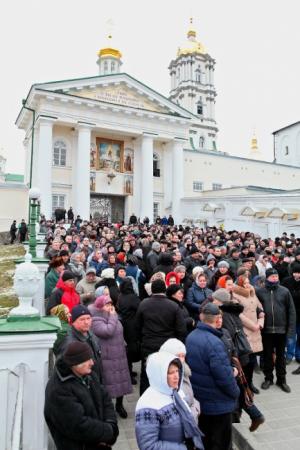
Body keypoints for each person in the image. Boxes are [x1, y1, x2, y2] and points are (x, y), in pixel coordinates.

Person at [44, 341, 119, 450]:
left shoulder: (88, 373)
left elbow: (105, 398)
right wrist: (108, 432)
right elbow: (79, 425)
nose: (92, 363)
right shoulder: (58, 390)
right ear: (75, 363)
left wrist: (111, 423)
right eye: (87, 360)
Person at [186, 302, 240, 450]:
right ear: (217, 320)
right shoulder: (214, 343)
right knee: (221, 443)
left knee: (207, 442)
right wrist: (236, 392)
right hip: (218, 405)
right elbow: (224, 377)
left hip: (201, 401)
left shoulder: (191, 336)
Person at [135, 351, 204, 450]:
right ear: (158, 375)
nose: (177, 376)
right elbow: (149, 446)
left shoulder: (175, 392)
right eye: (171, 373)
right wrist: (184, 448)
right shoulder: (147, 405)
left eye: (177, 371)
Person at [135, 279, 187, 395]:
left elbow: (137, 326)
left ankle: (146, 399)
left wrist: (141, 342)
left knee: (147, 374)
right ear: (165, 289)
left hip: (148, 346)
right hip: (167, 348)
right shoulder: (173, 306)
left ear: (152, 290)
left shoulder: (143, 304)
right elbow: (181, 329)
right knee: (167, 373)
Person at [89, 294, 132, 418]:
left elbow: (118, 330)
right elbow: (107, 331)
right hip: (107, 356)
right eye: (106, 305)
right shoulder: (96, 319)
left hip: (119, 354)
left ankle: (119, 405)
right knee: (108, 383)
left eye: (110, 304)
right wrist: (113, 317)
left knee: (121, 381)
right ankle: (107, 408)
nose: (110, 307)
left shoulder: (111, 315)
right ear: (100, 307)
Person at [256, 268, 296, 392]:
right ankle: (268, 378)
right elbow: (256, 310)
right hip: (266, 331)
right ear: (267, 277)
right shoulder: (260, 292)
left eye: (276, 276)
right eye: (272, 276)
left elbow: (291, 311)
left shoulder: (284, 291)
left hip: (281, 330)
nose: (275, 278)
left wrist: (290, 331)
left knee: (281, 357)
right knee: (267, 356)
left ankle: (282, 380)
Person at [56, 305, 103, 381]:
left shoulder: (89, 333)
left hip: (94, 379)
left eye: (88, 318)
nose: (86, 322)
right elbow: (64, 369)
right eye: (82, 319)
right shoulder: (69, 343)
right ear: (73, 322)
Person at [160, 338, 200, 422]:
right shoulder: (166, 381)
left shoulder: (184, 372)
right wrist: (195, 411)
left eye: (183, 356)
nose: (181, 360)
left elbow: (191, 398)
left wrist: (196, 406)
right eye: (178, 356)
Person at [118, 277, 141, 384]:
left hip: (123, 324)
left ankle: (129, 371)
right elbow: (139, 308)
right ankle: (129, 374)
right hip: (132, 326)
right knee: (131, 349)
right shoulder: (133, 297)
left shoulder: (120, 296)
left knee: (126, 349)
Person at [282, 263, 300, 365]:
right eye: (295, 272)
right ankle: (289, 355)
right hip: (290, 314)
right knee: (290, 337)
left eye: (299, 273)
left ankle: (298, 355)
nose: (297, 275)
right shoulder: (286, 281)